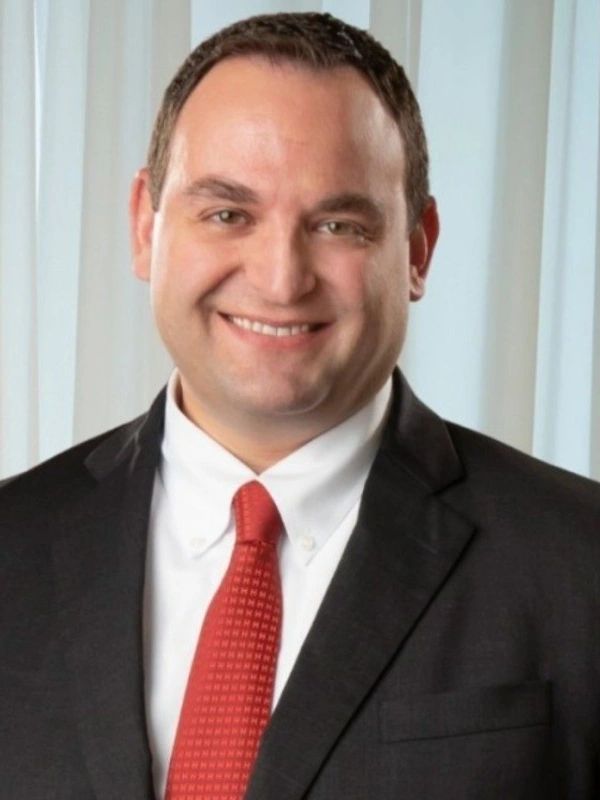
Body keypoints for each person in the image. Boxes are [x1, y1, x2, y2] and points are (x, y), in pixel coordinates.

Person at [1, 11, 599, 800]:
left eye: (338, 224)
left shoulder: (578, 565)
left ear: (417, 248)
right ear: (146, 226)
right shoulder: (14, 547)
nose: (281, 279)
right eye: (227, 214)